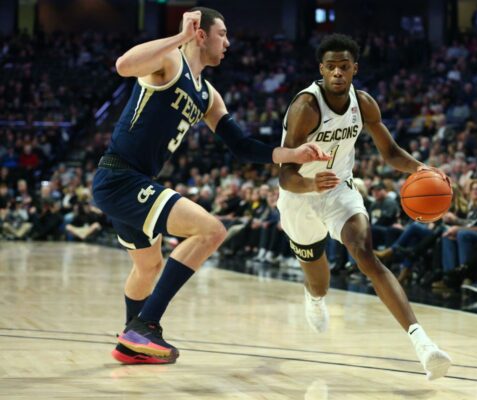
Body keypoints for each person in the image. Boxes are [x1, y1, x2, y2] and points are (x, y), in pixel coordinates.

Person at [92, 7, 330, 365]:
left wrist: (293, 153)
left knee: (147, 268)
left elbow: (242, 146)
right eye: (222, 34)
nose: (228, 43)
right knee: (211, 231)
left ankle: (131, 341)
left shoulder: (208, 95)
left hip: (131, 182)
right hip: (120, 176)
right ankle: (145, 325)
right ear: (201, 35)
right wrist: (178, 37)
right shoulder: (170, 61)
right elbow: (124, 65)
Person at [277, 33, 451, 381]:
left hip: (340, 189)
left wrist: (422, 169)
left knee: (364, 252)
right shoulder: (306, 109)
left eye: (344, 66)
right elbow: (285, 176)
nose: (338, 73)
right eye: (331, 67)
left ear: (354, 68)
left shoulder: (365, 104)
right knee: (320, 282)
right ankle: (314, 298)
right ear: (321, 70)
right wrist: (312, 184)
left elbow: (390, 153)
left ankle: (423, 345)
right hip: (300, 196)